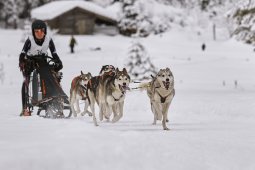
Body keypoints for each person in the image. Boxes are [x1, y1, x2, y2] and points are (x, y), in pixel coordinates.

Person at [19, 19, 63, 116]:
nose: (39, 33)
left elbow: (54, 53)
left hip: (43, 61)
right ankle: (25, 108)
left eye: (41, 31)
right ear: (33, 32)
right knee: (26, 81)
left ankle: (54, 99)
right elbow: (22, 54)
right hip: (30, 62)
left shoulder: (48, 40)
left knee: (52, 76)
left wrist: (58, 62)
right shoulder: (29, 40)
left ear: (45, 31)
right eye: (36, 31)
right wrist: (22, 62)